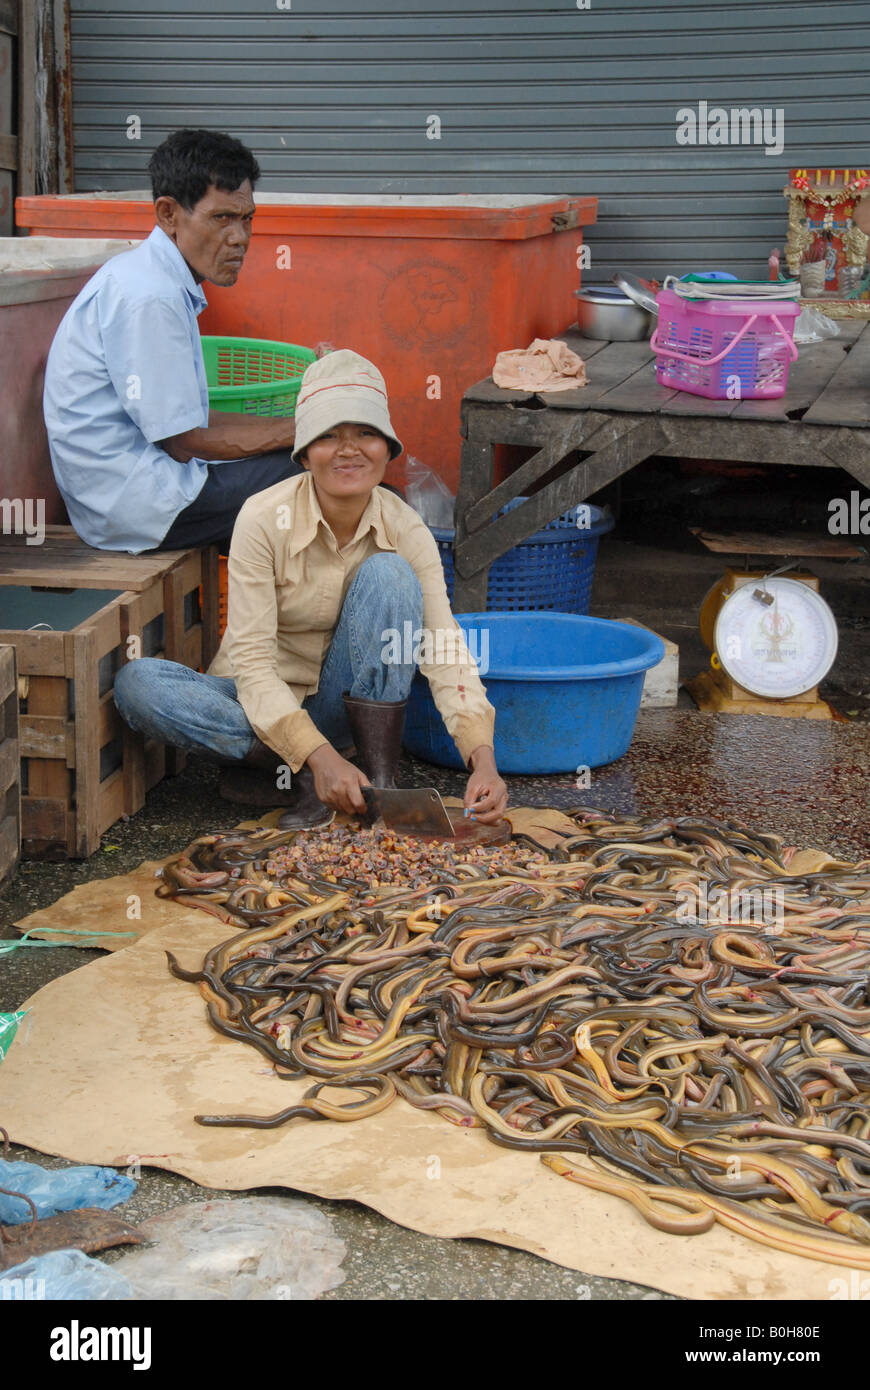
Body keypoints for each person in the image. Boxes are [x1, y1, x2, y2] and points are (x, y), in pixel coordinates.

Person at [114, 350, 509, 830]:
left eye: (365, 433)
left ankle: (373, 784)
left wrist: (483, 761)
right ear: (304, 455)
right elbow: (255, 667)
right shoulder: (262, 517)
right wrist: (317, 755)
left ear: (388, 448)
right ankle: (308, 773)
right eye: (327, 436)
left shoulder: (406, 528)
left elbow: (445, 648)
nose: (348, 450)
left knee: (391, 574)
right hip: (258, 708)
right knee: (139, 685)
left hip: (343, 713)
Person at [43, 128, 305, 556]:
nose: (239, 237)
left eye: (247, 218)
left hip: (133, 490)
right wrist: (308, 434)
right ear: (168, 214)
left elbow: (194, 421)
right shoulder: (151, 296)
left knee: (328, 464)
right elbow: (184, 442)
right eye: (222, 218)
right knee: (340, 476)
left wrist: (306, 427)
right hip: (135, 505)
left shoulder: (155, 279)